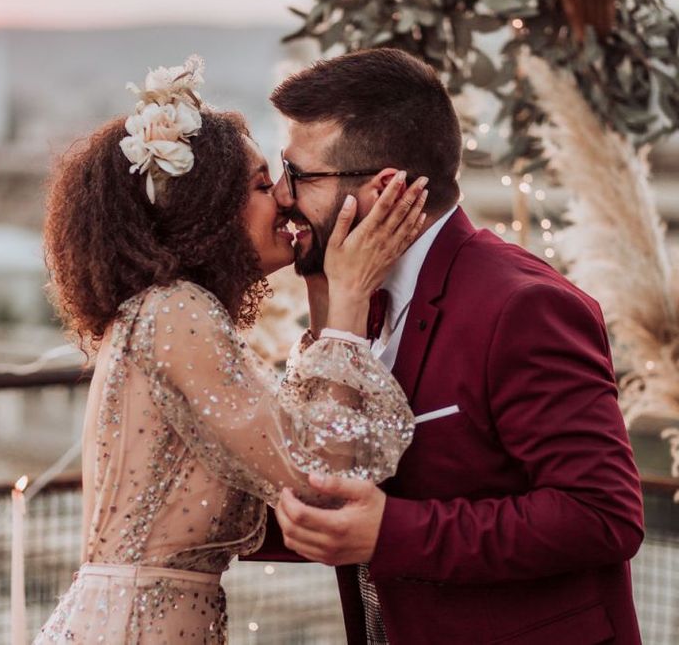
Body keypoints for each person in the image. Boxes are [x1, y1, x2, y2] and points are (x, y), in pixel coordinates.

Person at [250, 48, 645, 644]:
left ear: (383, 189)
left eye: (298, 175)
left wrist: (392, 534)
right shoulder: (353, 299)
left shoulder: (521, 307)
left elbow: (602, 515)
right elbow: (342, 492)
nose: (282, 195)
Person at [35, 56, 429, 644]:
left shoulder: (173, 312)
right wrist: (348, 297)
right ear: (208, 210)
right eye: (260, 185)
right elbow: (320, 477)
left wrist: (323, 294)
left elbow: (309, 442)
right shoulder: (174, 312)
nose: (284, 202)